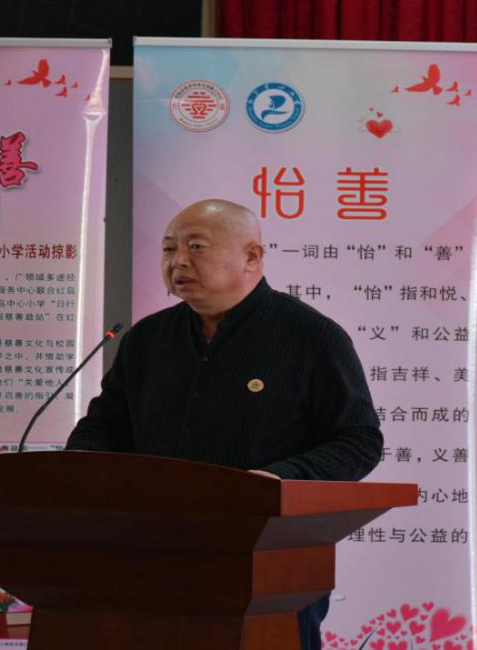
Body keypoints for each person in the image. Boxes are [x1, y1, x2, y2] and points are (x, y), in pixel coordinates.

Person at [66, 199, 383, 650]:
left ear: (252, 256)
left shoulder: (311, 336)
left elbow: (358, 439)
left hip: (269, 556)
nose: (178, 261)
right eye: (169, 249)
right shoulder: (147, 339)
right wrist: (78, 467)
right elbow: (105, 426)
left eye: (196, 247)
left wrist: (277, 480)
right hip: (150, 553)